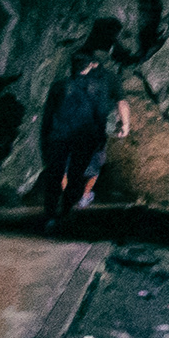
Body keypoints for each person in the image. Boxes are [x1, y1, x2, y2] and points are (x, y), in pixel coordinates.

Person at [40, 35, 131, 226]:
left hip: (59, 136)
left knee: (56, 174)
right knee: (77, 176)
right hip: (84, 138)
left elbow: (47, 115)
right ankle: (66, 210)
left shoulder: (59, 85)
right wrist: (109, 132)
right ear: (91, 64)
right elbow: (101, 113)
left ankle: (50, 216)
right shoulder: (97, 86)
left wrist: (45, 138)